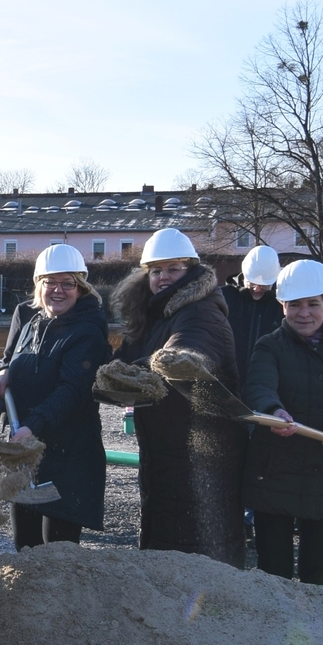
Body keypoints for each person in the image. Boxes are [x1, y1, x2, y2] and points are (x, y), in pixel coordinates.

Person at [111, 227, 246, 567]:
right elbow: (124, 361)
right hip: (165, 449)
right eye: (156, 271)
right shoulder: (153, 315)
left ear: (191, 271)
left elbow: (187, 350)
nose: (164, 277)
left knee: (201, 548)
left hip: (200, 451)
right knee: (168, 544)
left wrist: (158, 365)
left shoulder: (201, 311)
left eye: (173, 269)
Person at [243, 259, 323, 586]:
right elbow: (258, 387)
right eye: (295, 305)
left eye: (313, 304)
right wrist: (273, 411)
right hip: (274, 475)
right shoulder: (269, 347)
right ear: (282, 306)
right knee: (275, 577)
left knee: (318, 579)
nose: (304, 313)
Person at [0, 244, 111, 549]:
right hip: (28, 455)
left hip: (68, 456)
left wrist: (32, 426)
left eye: (67, 283)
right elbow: (12, 360)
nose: (58, 290)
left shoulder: (87, 331)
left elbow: (72, 391)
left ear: (80, 287)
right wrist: (6, 372)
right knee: (26, 549)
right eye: (50, 282)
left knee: (59, 556)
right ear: (38, 284)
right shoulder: (30, 319)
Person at [222, 245, 283, 396]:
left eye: (263, 286)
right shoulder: (222, 298)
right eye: (252, 283)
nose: (256, 289)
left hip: (267, 387)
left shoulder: (283, 304)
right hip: (225, 384)